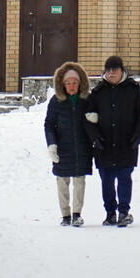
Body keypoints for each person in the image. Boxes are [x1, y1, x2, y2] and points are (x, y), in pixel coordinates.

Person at [83, 54, 140, 227]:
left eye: (115, 69)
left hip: (127, 143)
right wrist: (95, 138)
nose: (111, 73)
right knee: (107, 179)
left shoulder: (132, 89)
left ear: (121, 70)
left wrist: (138, 135)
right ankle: (110, 212)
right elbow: (88, 119)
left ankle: (124, 211)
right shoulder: (98, 92)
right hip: (104, 145)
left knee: (125, 176)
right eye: (108, 70)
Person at [43, 61, 93, 226]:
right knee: (62, 182)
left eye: (75, 83)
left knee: (80, 181)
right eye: (68, 83)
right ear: (63, 84)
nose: (72, 86)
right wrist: (52, 144)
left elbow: (95, 119)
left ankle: (77, 213)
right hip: (62, 148)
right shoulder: (56, 102)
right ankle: (65, 214)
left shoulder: (86, 100)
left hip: (82, 148)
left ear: (81, 83)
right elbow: (49, 124)